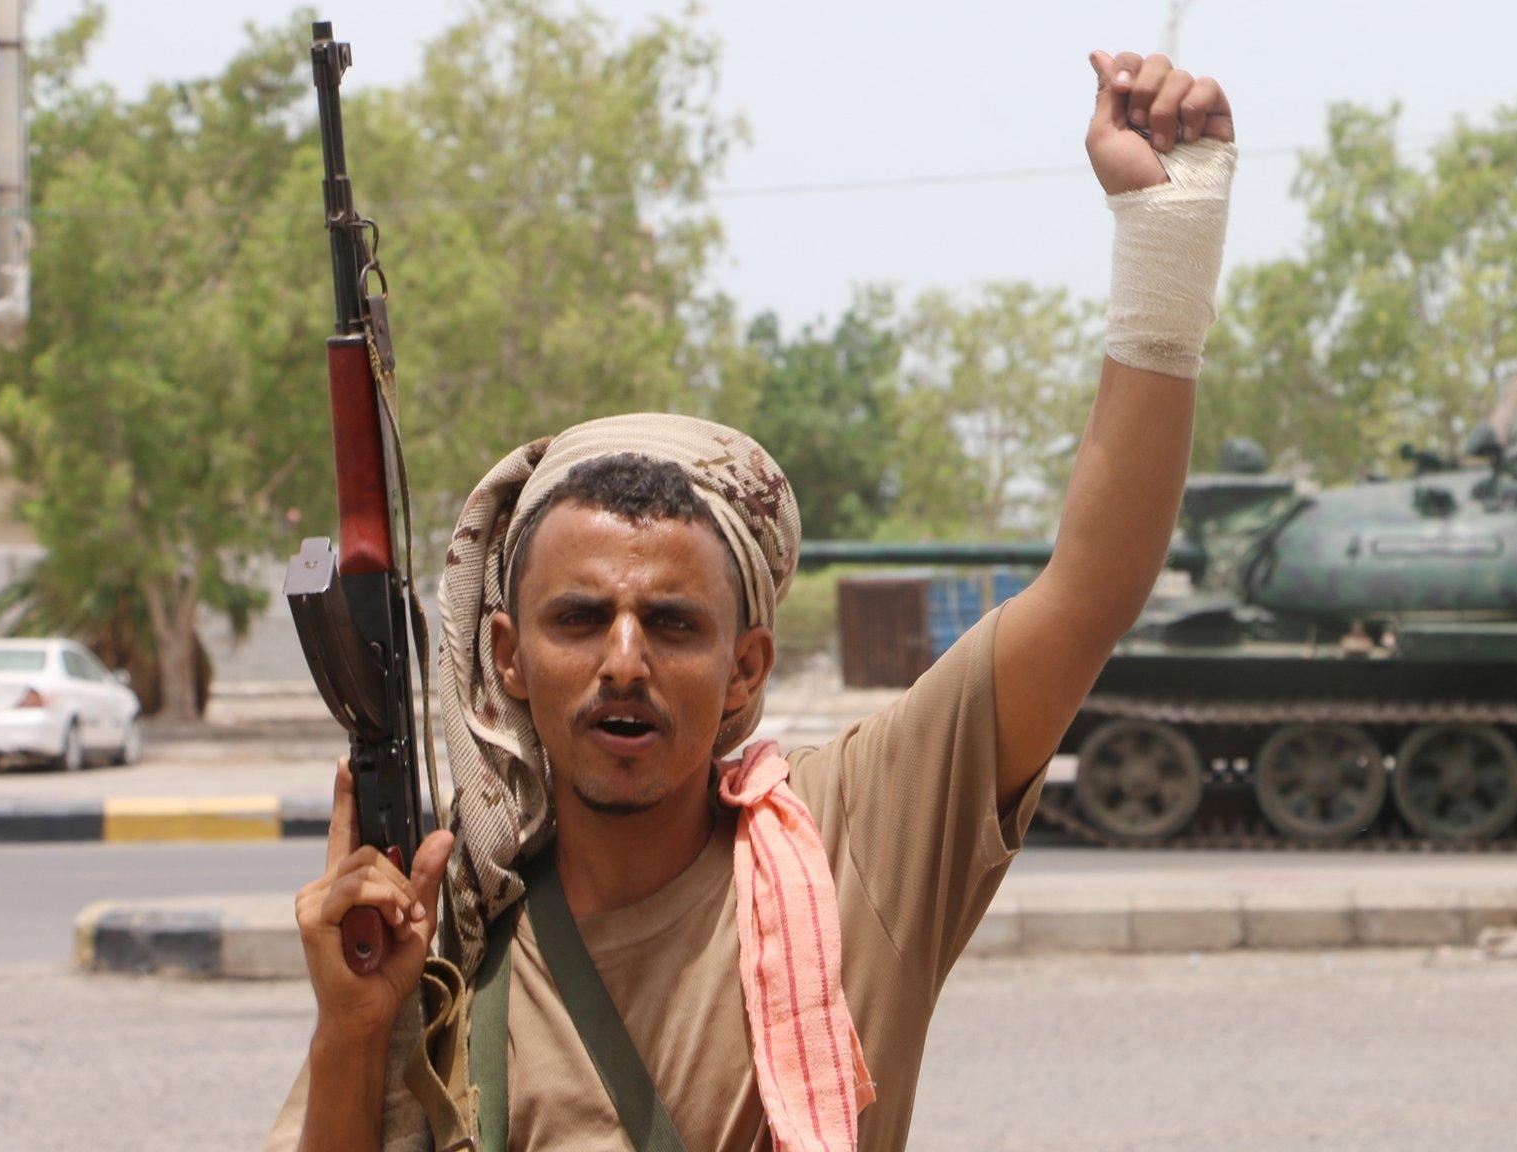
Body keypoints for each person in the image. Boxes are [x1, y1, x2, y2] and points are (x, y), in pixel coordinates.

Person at [267, 47, 1237, 1152]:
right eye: (577, 619)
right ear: (502, 656)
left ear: (746, 668)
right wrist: (353, 1031)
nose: (622, 659)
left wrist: (1163, 242)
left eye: (672, 624)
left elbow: (1089, 591)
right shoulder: (442, 938)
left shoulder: (850, 841)